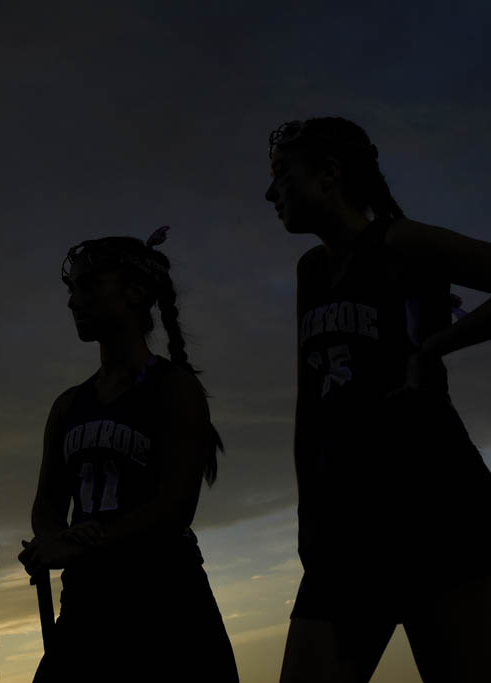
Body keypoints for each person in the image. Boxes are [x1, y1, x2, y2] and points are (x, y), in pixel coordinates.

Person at [267, 116, 491, 682]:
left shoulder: (399, 240)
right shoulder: (312, 269)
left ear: (329, 175)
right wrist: (306, 509)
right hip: (344, 510)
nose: (271, 192)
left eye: (281, 175)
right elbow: (309, 402)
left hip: (434, 496)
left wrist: (439, 343)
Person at [20, 229, 239, 682]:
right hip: (88, 604)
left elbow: (175, 507)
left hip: (166, 603)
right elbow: (46, 504)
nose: (72, 302)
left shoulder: (174, 388)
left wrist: (88, 540)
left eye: (86, 286)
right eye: (70, 289)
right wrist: (52, 538)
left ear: (136, 293)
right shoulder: (68, 405)